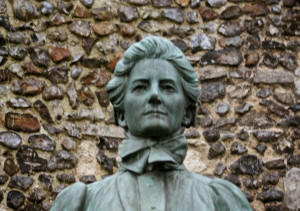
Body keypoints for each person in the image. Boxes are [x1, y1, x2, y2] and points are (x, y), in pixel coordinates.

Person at [50, 36, 252, 211]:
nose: (155, 95)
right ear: (120, 114)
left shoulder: (222, 201)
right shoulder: (81, 203)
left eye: (167, 87)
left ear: (188, 113)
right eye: (140, 87)